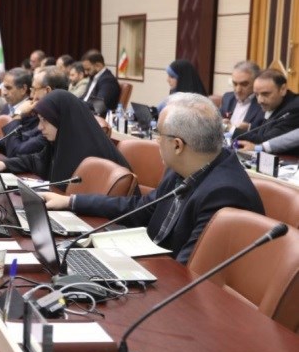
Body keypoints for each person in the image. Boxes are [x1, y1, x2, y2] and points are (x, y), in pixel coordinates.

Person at [43, 93, 264, 263]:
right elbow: (141, 208)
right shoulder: (183, 168)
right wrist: (71, 202)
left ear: (177, 145)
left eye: (159, 134)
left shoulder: (225, 194)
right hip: (149, 263)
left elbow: (190, 268)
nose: (156, 141)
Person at [0, 90, 130, 191]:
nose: (40, 127)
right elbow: (35, 160)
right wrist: (4, 164)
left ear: (61, 119)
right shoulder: (62, 141)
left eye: (45, 120)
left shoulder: (89, 153)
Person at [236, 69, 299, 148]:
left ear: (282, 89)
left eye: (265, 94)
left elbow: (267, 141)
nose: (260, 101)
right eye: (256, 95)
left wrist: (232, 130)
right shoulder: (273, 103)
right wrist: (248, 127)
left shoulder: (294, 108)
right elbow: (262, 131)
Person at [220, 61, 263, 132]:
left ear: (256, 82)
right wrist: (221, 123)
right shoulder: (227, 98)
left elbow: (263, 132)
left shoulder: (263, 103)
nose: (238, 90)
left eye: (244, 84)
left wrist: (249, 128)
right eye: (235, 84)